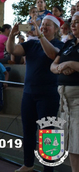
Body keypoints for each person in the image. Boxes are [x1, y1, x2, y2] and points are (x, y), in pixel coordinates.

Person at [6, 14, 64, 172]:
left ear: (56, 29)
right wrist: (12, 35)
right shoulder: (31, 44)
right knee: (28, 130)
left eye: (48, 25)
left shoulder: (60, 44)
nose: (44, 27)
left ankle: (49, 168)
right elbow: (11, 49)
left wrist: (39, 35)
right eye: (42, 24)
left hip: (49, 94)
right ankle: (28, 164)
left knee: (48, 133)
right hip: (29, 93)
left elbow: (52, 54)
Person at [50, 11, 79, 172]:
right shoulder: (69, 44)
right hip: (64, 102)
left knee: (77, 144)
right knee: (72, 145)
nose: (72, 25)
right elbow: (53, 65)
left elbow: (71, 65)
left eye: (77, 22)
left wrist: (72, 65)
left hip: (78, 101)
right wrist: (62, 67)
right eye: (72, 21)